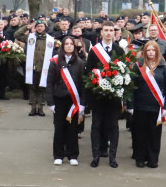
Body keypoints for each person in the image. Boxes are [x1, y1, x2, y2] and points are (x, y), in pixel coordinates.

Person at [127, 40, 166, 168]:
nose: (151, 52)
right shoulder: (138, 66)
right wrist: (130, 105)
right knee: (140, 134)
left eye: (153, 50)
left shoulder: (163, 67)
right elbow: (131, 87)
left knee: (155, 135)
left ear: (157, 52)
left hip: (156, 108)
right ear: (144, 52)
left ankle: (153, 159)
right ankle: (140, 158)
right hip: (140, 106)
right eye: (148, 50)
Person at [86, 24, 125, 168]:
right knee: (96, 125)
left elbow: (123, 72)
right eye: (106, 31)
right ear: (101, 33)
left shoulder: (119, 50)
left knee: (113, 126)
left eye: (111, 31)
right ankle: (96, 155)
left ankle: (112, 157)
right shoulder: (94, 51)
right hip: (97, 96)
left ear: (114, 33)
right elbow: (89, 73)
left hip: (113, 97)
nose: (109, 33)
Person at [46, 36, 86, 165]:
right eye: (66, 44)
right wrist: (50, 102)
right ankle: (58, 155)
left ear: (74, 47)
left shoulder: (80, 63)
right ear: (63, 46)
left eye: (71, 44)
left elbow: (82, 85)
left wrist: (83, 104)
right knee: (59, 128)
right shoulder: (55, 62)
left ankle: (72, 155)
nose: (69, 46)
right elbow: (50, 83)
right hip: (59, 100)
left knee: (72, 129)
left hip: (73, 101)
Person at [18, 20, 54, 116]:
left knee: (42, 89)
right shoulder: (30, 37)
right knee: (32, 88)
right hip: (32, 68)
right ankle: (33, 108)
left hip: (44, 68)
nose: (39, 28)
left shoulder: (50, 39)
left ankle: (41, 108)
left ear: (44, 27)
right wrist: (27, 27)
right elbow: (17, 35)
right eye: (38, 26)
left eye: (41, 26)